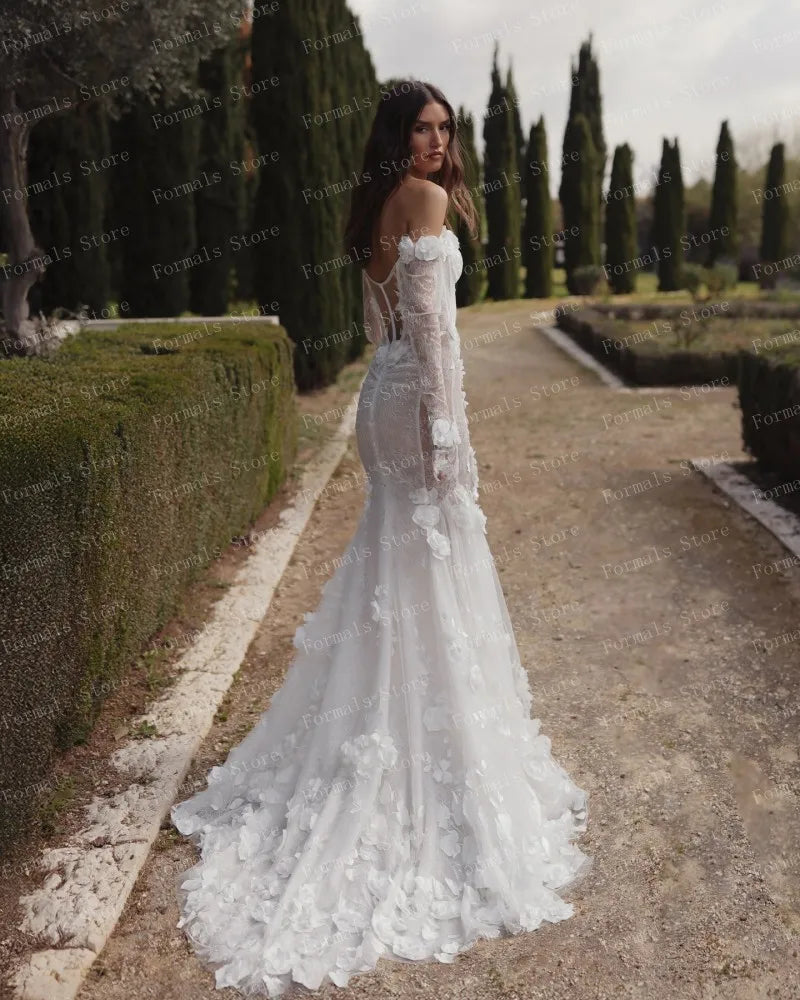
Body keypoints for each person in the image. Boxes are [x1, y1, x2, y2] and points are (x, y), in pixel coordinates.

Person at [170, 79, 592, 997]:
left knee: (398, 560)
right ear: (397, 137)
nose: (436, 142)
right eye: (421, 129)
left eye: (444, 129)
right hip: (416, 406)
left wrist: (418, 415)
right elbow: (437, 335)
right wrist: (453, 442)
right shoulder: (429, 199)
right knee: (434, 553)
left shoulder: (375, 204)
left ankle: (376, 727)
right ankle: (410, 761)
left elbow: (383, 326)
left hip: (380, 398)